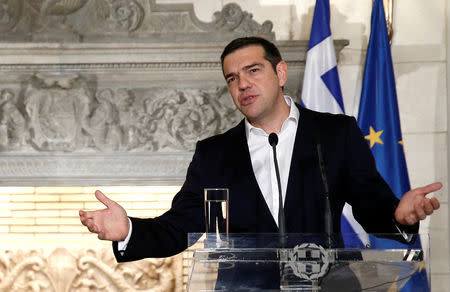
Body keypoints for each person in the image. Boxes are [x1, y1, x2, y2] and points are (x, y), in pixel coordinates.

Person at [79, 37, 441, 264]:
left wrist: (399, 214)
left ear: (281, 72)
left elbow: (369, 202)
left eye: (253, 70)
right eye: (232, 78)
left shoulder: (335, 134)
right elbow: (179, 227)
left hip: (328, 283)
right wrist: (129, 230)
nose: (242, 84)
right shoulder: (214, 154)